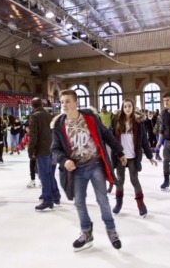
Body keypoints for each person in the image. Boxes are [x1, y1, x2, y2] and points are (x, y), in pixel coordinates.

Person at [51, 90, 127, 251]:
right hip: (77, 169)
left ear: (75, 103)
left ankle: (111, 230)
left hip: (95, 164)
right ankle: (86, 232)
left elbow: (106, 135)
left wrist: (120, 152)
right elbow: (55, 149)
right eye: (62, 102)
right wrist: (65, 161)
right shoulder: (59, 125)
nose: (64, 105)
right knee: (79, 202)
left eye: (67, 101)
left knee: (102, 199)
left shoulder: (90, 118)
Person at [111, 99, 157, 217]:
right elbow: (110, 138)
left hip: (132, 157)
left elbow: (144, 141)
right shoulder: (116, 121)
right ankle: (118, 203)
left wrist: (150, 156)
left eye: (129, 106)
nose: (127, 108)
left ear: (133, 107)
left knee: (134, 180)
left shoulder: (138, 122)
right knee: (119, 181)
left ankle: (141, 205)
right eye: (125, 106)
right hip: (120, 156)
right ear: (122, 108)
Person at [28, 97, 60, 211]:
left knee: (44, 175)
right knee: (50, 174)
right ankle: (55, 196)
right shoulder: (48, 115)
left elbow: (33, 135)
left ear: (32, 105)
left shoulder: (34, 116)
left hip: (42, 150)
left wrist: (30, 150)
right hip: (52, 148)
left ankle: (48, 200)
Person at [14, 122, 38, 188]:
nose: (27, 129)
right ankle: (32, 181)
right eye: (26, 128)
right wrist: (17, 148)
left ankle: (42, 181)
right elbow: (22, 143)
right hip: (31, 154)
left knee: (39, 168)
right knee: (32, 168)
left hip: (38, 154)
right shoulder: (26, 136)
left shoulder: (36, 135)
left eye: (28, 128)